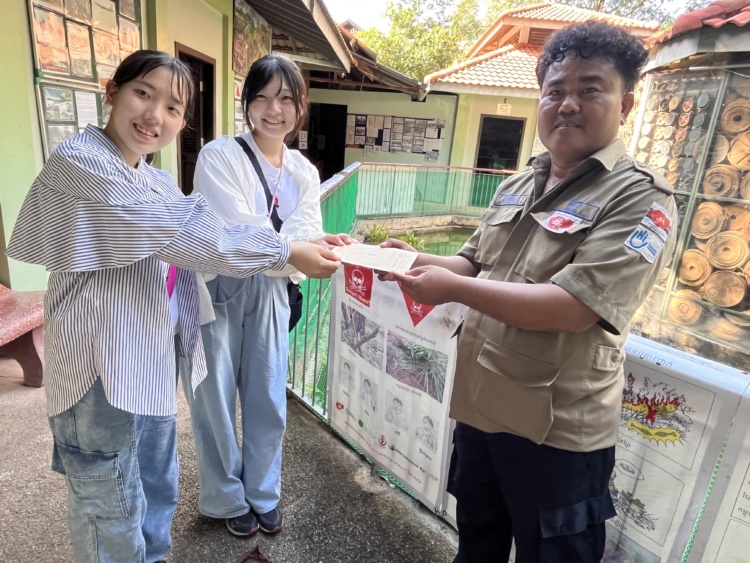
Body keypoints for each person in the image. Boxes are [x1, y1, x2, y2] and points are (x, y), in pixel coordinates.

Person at [5, 50, 340, 563]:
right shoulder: (83, 161)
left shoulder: (156, 178)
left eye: (173, 107)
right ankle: (222, 501)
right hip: (98, 370)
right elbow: (185, 232)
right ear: (111, 90)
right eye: (144, 94)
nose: (155, 116)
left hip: (149, 364)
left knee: (157, 492)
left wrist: (299, 245)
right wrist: (286, 249)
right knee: (109, 505)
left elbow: (212, 229)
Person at [382, 22, 677, 562]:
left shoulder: (640, 200)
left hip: (557, 431)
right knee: (477, 541)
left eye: (590, 89)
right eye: (555, 90)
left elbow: (574, 308)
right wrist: (410, 259)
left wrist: (453, 289)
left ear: (626, 103)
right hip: (480, 407)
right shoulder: (518, 182)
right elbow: (471, 262)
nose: (568, 104)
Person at [180, 53, 352, 538]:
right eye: (262, 98)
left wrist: (304, 247)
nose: (274, 110)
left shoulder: (303, 170)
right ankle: (224, 497)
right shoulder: (220, 155)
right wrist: (296, 250)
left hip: (274, 290)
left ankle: (262, 494)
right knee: (212, 398)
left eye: (286, 99)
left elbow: (305, 230)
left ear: (301, 108)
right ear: (246, 103)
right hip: (217, 285)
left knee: (268, 398)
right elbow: (236, 232)